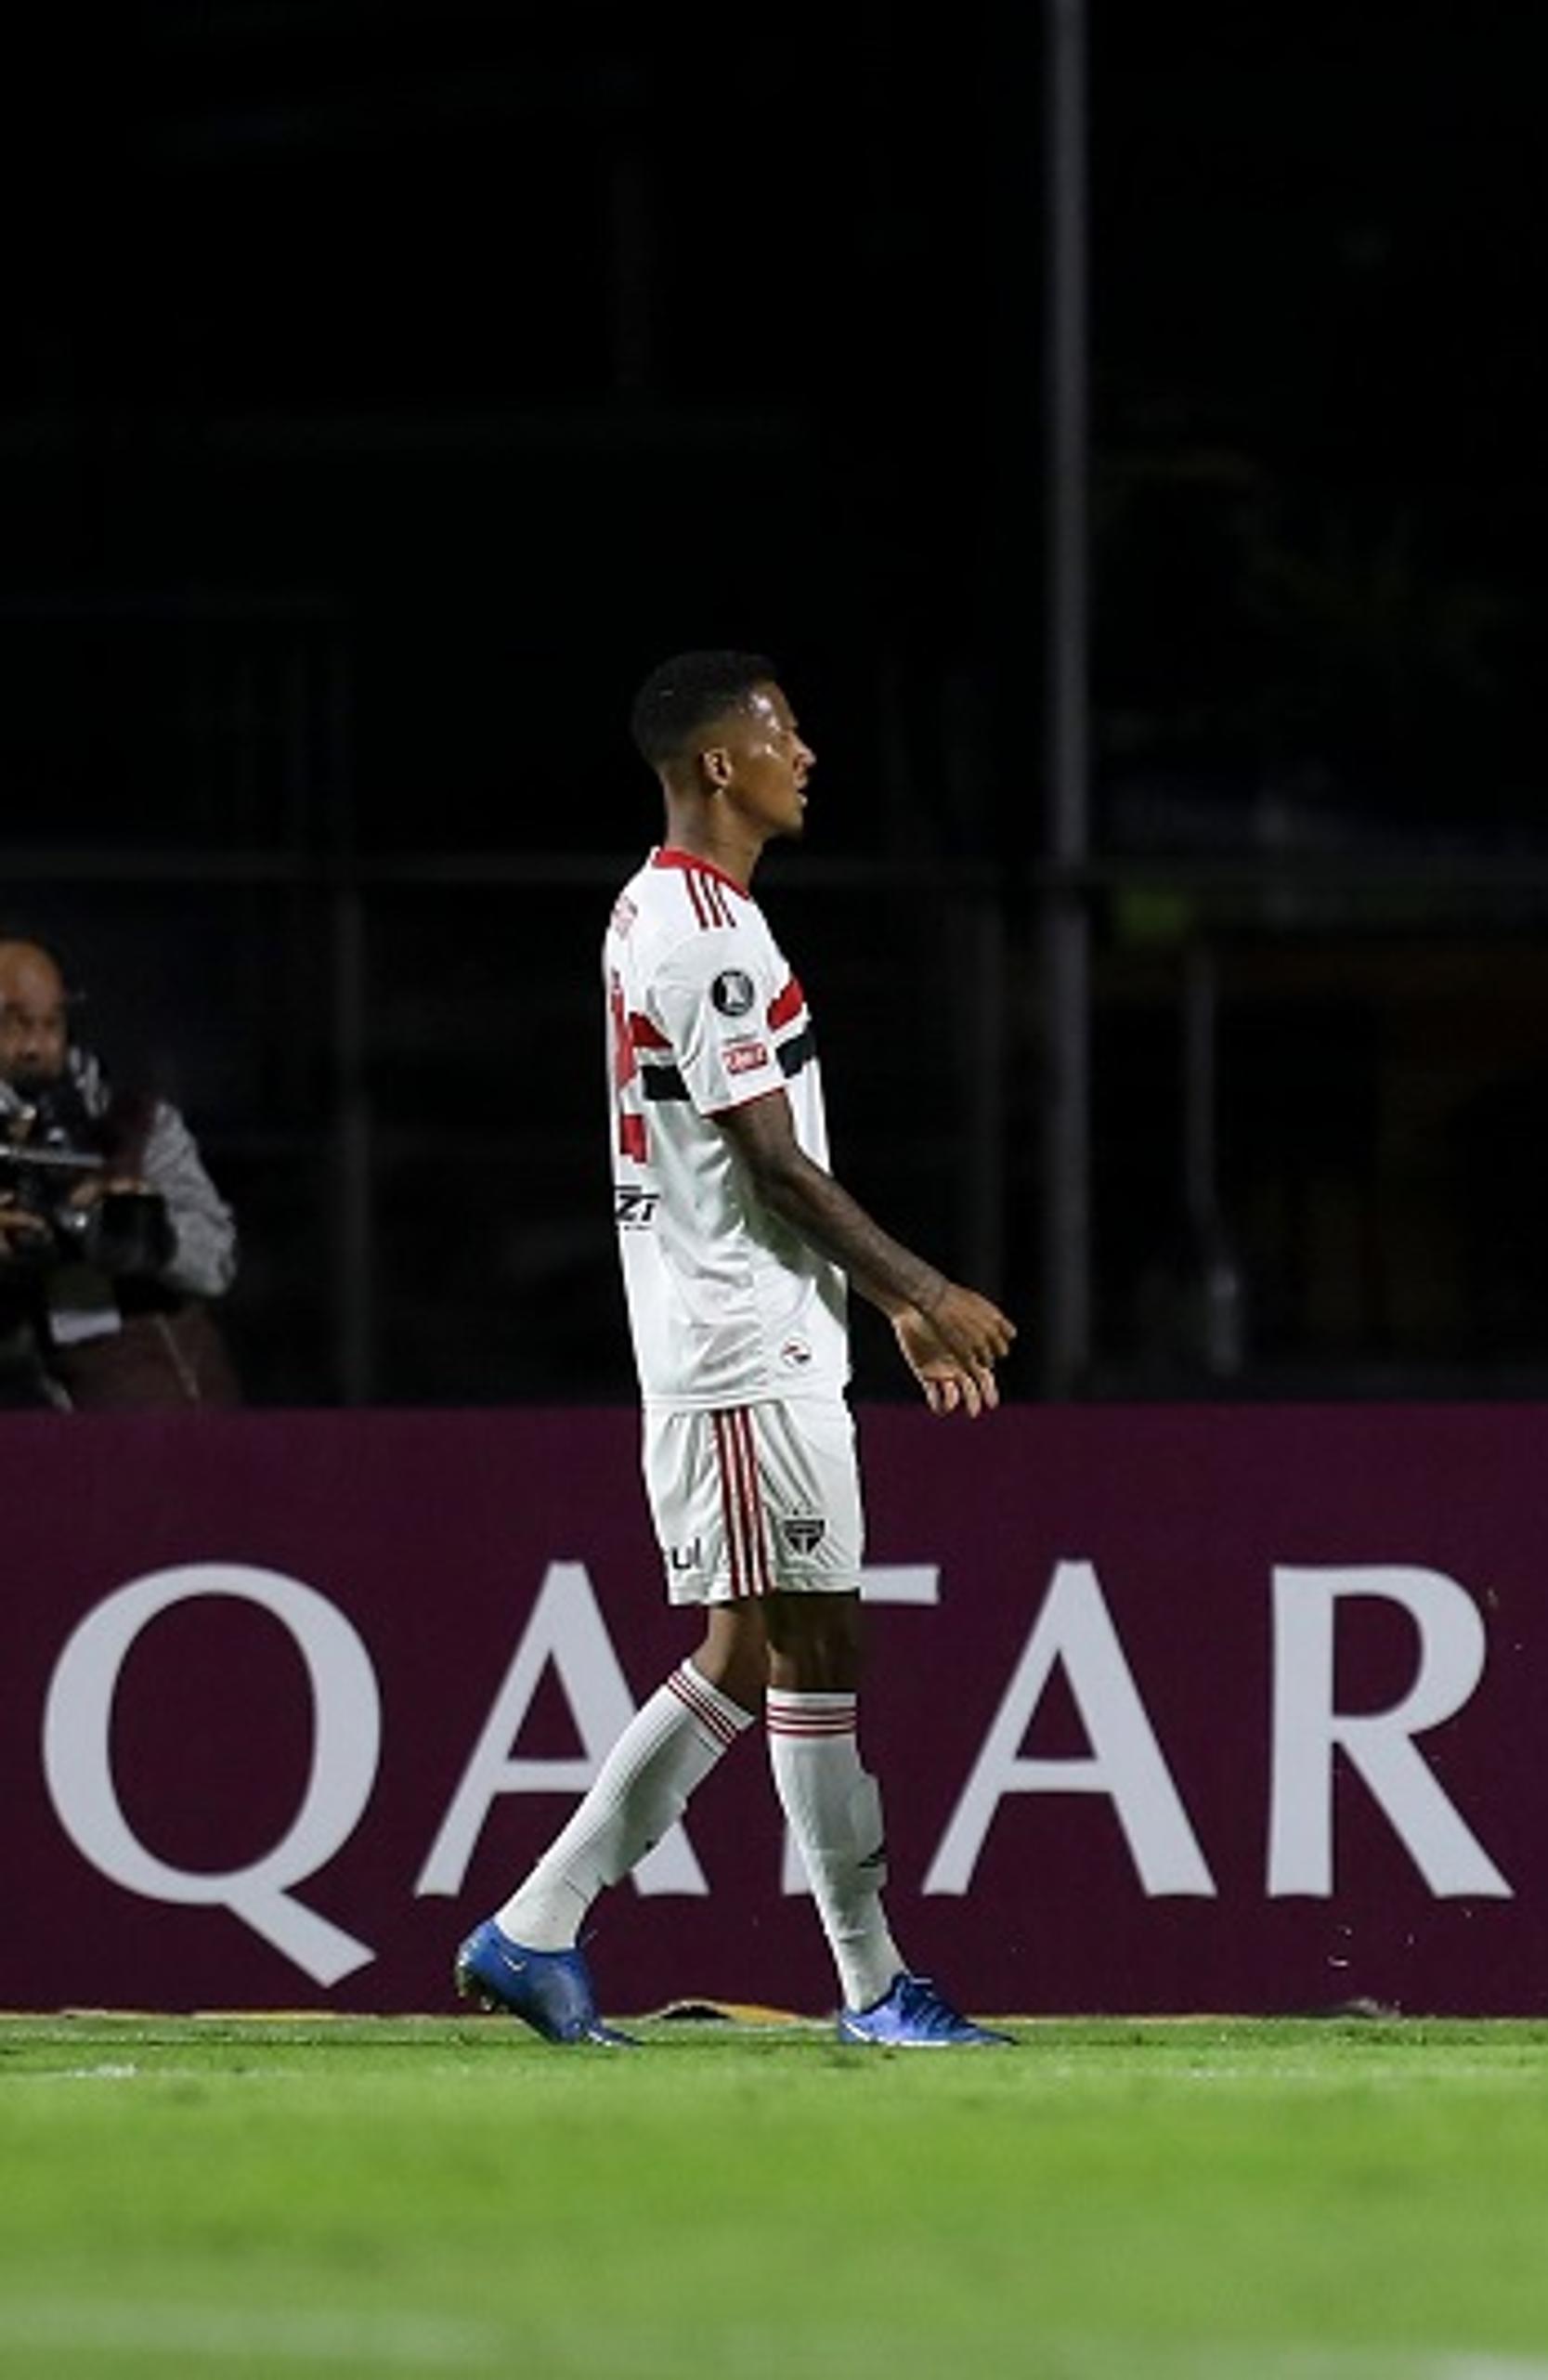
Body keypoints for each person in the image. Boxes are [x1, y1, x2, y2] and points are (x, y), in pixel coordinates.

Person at [454, 649, 1021, 2050]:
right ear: (721, 763)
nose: (806, 753)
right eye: (782, 733)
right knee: (807, 1641)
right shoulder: (701, 932)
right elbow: (771, 1165)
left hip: (756, 1331)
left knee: (758, 1648)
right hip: (737, 1344)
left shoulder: (678, 911)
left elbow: (761, 1158)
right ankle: (874, 1983)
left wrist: (875, 1304)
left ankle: (533, 1926)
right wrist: (925, 1285)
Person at [0, 937, 244, 1409]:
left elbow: (218, 1259)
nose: (34, 1045)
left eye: (50, 1023)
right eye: (11, 1025)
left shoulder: (134, 1124)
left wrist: (145, 1233)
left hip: (159, 1405)